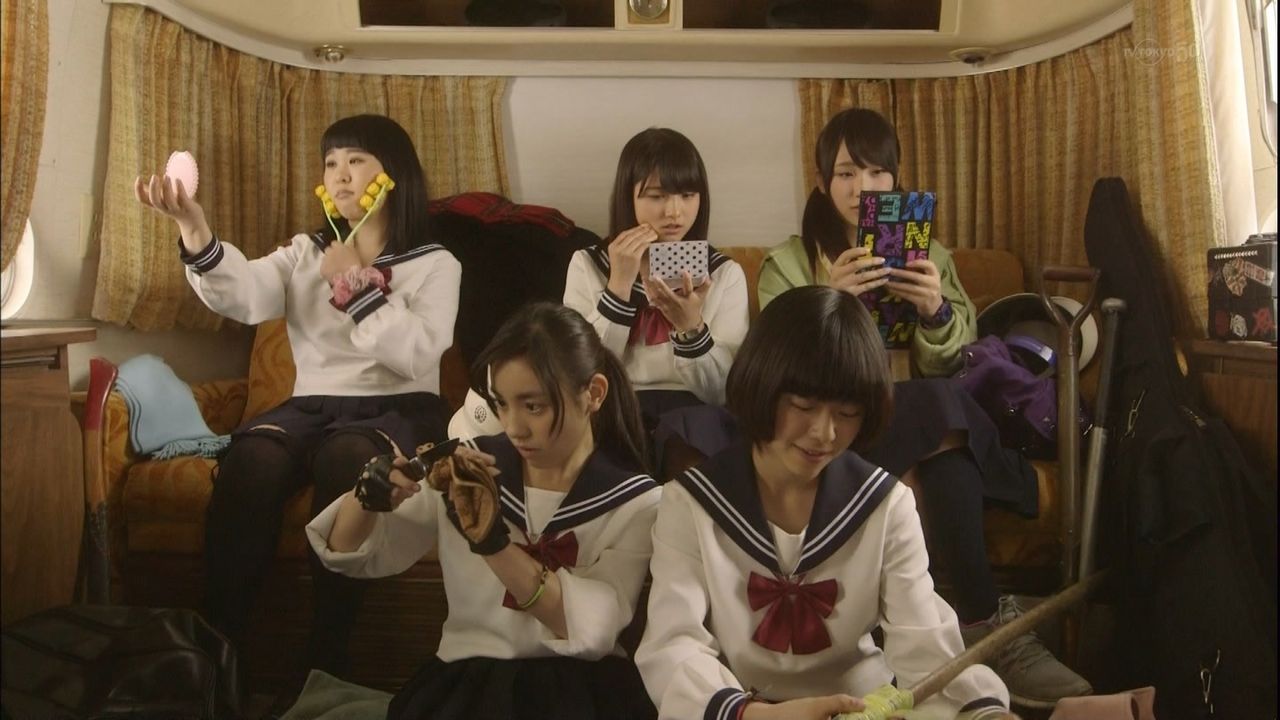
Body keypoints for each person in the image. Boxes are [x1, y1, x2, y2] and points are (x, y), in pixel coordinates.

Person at [755, 107, 1090, 707]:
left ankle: (978, 626)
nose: (862, 188)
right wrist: (827, 304)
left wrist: (936, 312)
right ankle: (995, 613)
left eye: (877, 173)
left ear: (896, 180)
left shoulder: (927, 252)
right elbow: (771, 373)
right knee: (941, 409)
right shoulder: (788, 261)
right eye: (846, 173)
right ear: (823, 183)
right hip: (832, 432)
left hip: (918, 424)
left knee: (947, 448)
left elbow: (959, 366)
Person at [135, 113, 461, 678]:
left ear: (394, 175)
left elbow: (416, 353)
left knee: (348, 460)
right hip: (311, 406)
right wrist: (194, 227)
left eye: (356, 161)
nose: (340, 175)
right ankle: (219, 652)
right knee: (252, 459)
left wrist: (353, 282)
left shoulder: (435, 263)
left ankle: (327, 658)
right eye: (331, 163)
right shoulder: (304, 252)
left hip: (396, 406)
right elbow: (244, 294)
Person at [636, 286, 1016, 720]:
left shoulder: (886, 505)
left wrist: (984, 713)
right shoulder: (691, 502)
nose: (824, 433)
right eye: (803, 405)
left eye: (847, 413)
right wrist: (756, 715)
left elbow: (926, 645)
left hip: (862, 709)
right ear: (761, 385)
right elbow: (674, 643)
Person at [306, 302, 662, 720]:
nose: (513, 427)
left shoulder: (636, 500)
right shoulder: (466, 469)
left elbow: (593, 628)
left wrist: (493, 544)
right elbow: (345, 552)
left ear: (594, 393)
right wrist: (368, 495)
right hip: (468, 683)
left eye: (534, 406)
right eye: (501, 404)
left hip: (583, 690)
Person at [562, 127, 750, 447]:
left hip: (695, 415)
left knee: (698, 429)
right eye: (656, 196)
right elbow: (580, 375)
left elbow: (722, 392)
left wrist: (691, 327)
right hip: (616, 408)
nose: (674, 212)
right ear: (628, 196)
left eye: (687, 195)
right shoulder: (587, 265)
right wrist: (619, 287)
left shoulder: (723, 274)